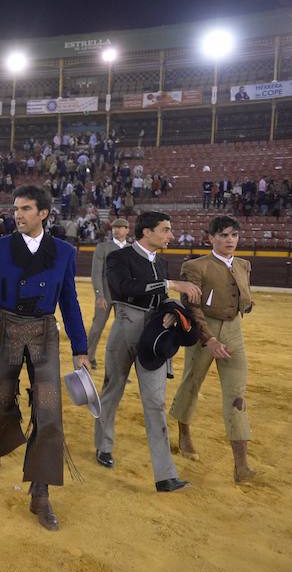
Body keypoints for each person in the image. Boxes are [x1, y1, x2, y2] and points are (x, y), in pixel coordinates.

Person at [0, 186, 90, 531]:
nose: (18, 214)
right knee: (2, 398)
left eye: (26, 209)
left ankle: (41, 493)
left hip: (45, 335)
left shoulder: (63, 251)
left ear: (44, 213)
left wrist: (80, 348)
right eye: (16, 208)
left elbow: (70, 301)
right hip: (6, 330)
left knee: (49, 411)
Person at [93, 211, 202, 493]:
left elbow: (161, 297)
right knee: (112, 389)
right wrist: (169, 285)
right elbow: (124, 288)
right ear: (146, 233)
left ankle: (165, 475)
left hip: (154, 330)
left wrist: (170, 312)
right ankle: (103, 446)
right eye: (165, 230)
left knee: (155, 402)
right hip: (125, 325)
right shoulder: (119, 257)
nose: (171, 235)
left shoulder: (161, 261)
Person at [169, 216, 256, 483]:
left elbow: (243, 296)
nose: (230, 240)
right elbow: (191, 307)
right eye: (224, 235)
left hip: (233, 332)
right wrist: (208, 339)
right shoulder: (195, 266)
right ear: (211, 238)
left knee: (236, 393)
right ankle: (184, 432)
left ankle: (241, 465)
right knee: (192, 383)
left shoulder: (244, 265)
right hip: (203, 332)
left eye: (234, 235)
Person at [86, 218, 130, 369]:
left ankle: (118, 364)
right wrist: (99, 295)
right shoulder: (103, 247)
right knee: (97, 328)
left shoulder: (133, 249)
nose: (117, 230)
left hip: (124, 298)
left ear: (127, 230)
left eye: (120, 227)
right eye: (114, 228)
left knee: (123, 332)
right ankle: (88, 357)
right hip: (106, 295)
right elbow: (96, 273)